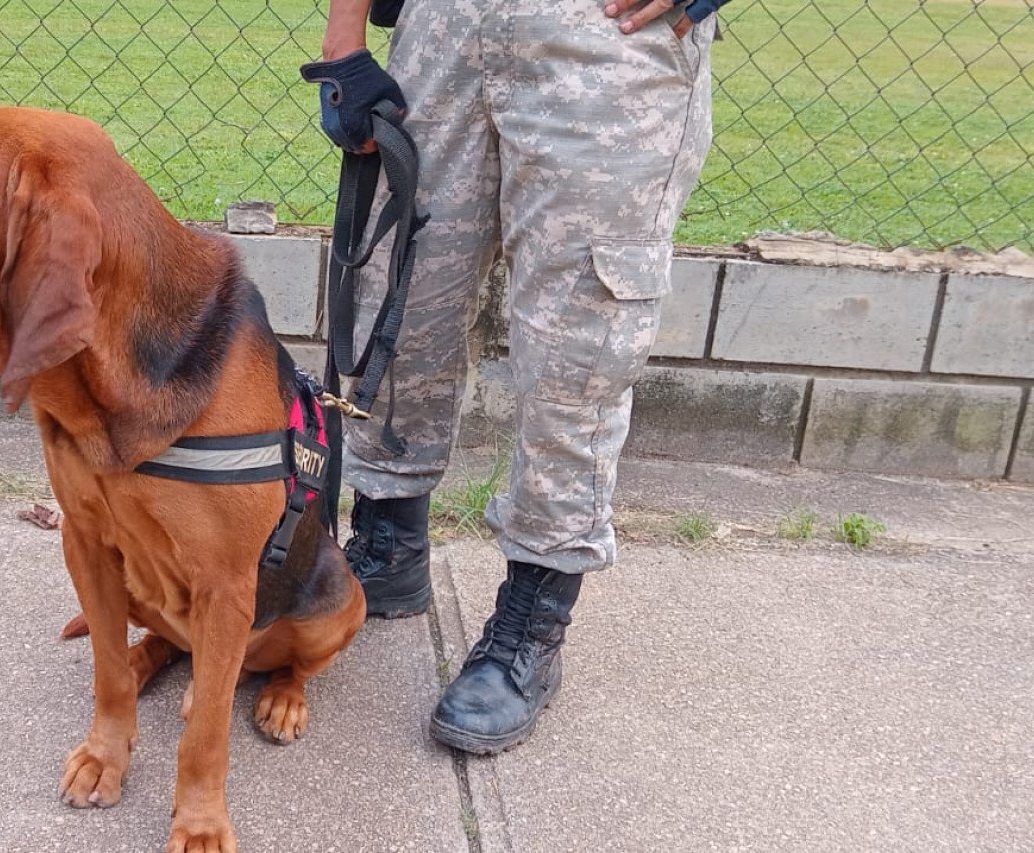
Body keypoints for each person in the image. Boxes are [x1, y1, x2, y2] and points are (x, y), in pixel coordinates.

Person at [300, 0, 728, 754]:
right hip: (443, 31)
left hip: (606, 45)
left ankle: (531, 620)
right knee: (398, 303)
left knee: (576, 349)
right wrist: (343, 43)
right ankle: (386, 548)